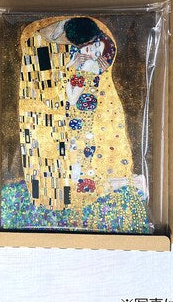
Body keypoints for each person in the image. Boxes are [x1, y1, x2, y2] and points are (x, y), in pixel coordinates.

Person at [18, 16, 146, 212]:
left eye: (94, 47)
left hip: (82, 118)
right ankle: (58, 193)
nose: (91, 52)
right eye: (87, 48)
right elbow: (43, 77)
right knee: (66, 160)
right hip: (55, 112)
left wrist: (90, 68)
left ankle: (117, 184)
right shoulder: (39, 41)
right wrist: (68, 68)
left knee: (82, 162)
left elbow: (101, 60)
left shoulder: (96, 44)